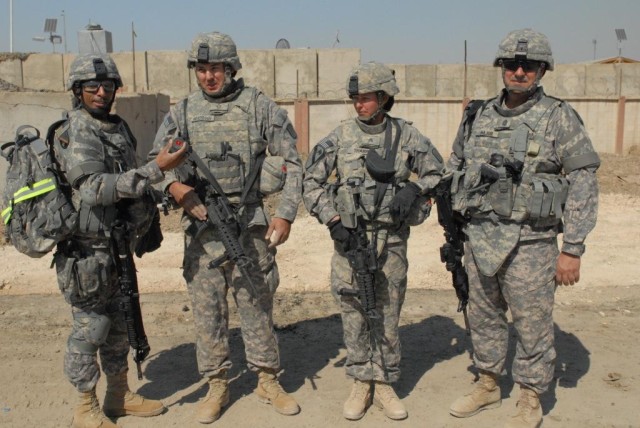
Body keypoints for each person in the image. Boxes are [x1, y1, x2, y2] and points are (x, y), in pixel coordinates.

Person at [446, 29, 600, 428]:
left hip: (531, 242)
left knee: (532, 322)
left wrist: (573, 248)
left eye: (528, 66)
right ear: (501, 68)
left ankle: (530, 394)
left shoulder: (558, 116)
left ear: (541, 70)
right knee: (482, 316)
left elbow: (583, 179)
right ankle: (488, 382)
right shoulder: (477, 114)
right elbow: (456, 165)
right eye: (512, 65)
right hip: (478, 237)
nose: (519, 72)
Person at [148, 32, 303, 424]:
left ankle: (267, 378)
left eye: (215, 68)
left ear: (231, 68)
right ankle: (217, 383)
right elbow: (156, 164)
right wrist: (179, 189)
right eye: (201, 69)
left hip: (249, 224)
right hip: (203, 229)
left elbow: (293, 163)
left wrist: (284, 214)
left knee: (256, 301)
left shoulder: (259, 107)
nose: (208, 77)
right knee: (208, 312)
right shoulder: (182, 112)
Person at [302, 62, 444, 421]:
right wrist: (332, 220)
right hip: (350, 240)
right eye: (354, 99)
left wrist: (413, 188)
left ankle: (383, 382)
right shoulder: (339, 136)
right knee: (353, 309)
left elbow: (438, 171)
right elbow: (310, 182)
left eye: (364, 98)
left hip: (391, 240)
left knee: (388, 309)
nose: (358, 105)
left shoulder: (406, 136)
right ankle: (360, 379)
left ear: (383, 97)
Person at [52, 53, 187, 427]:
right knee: (90, 328)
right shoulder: (76, 130)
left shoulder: (117, 126)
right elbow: (94, 189)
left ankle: (118, 395)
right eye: (91, 86)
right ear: (77, 91)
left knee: (119, 325)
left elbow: (129, 180)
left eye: (107, 85)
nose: (100, 92)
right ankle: (84, 405)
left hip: (117, 247)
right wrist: (157, 168)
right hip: (86, 251)